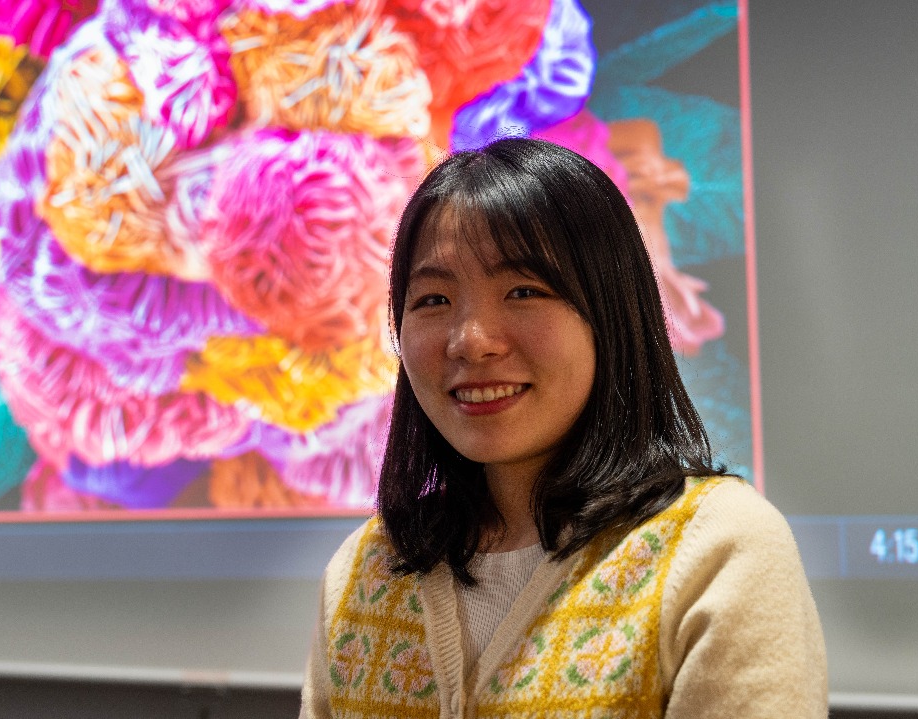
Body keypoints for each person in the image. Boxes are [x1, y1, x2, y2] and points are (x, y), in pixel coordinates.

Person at [299, 138, 827, 718]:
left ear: (609, 312)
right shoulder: (367, 569)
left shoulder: (717, 549)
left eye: (524, 291)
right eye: (432, 299)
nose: (470, 340)